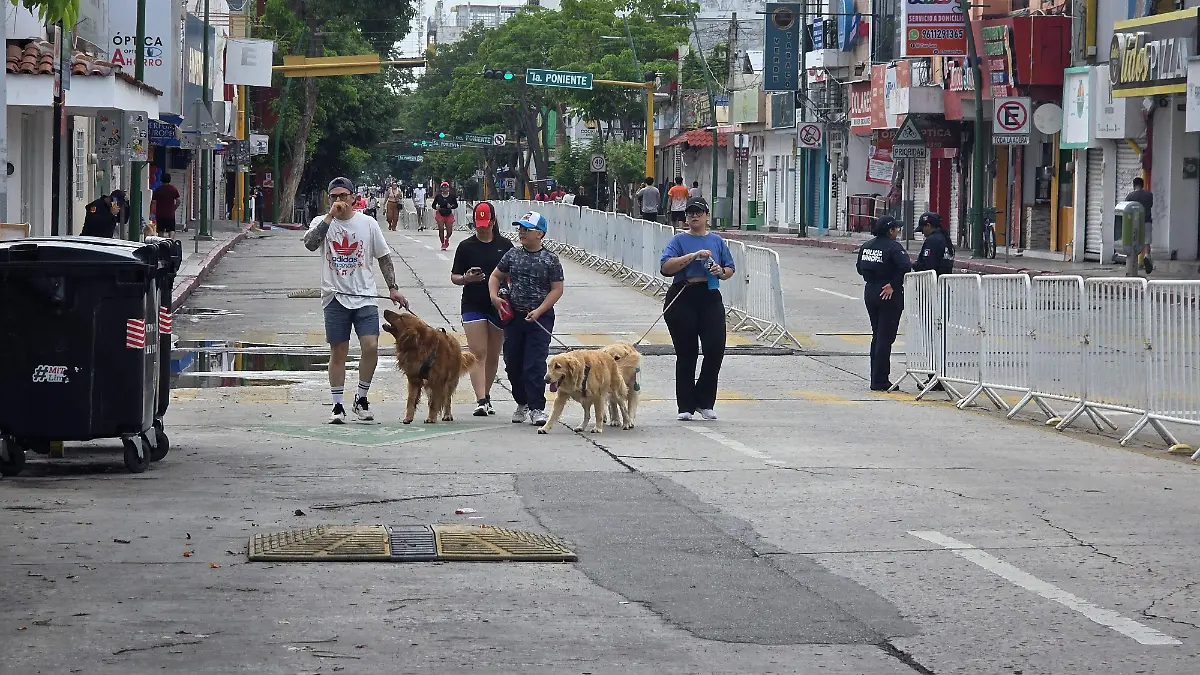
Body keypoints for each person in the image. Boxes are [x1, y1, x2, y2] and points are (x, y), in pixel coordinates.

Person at [303, 177, 410, 424]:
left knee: (371, 346)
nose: (339, 201)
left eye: (343, 195)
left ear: (353, 197)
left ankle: (361, 398)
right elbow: (310, 244)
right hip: (335, 297)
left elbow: (383, 257)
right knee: (338, 350)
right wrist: (329, 217)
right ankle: (337, 404)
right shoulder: (321, 222)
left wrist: (393, 288)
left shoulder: (368, 224)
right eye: (334, 197)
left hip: (365, 296)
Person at [658, 197, 735, 421]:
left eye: (699, 212)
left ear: (707, 216)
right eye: (690, 213)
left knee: (714, 348)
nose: (694, 216)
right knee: (687, 352)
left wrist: (721, 271)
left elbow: (730, 269)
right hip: (683, 295)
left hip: (709, 295)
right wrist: (693, 256)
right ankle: (686, 405)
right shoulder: (679, 240)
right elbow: (665, 267)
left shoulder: (717, 241)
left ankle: (704, 400)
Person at [488, 211, 564, 427]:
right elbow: (496, 275)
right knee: (512, 362)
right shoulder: (512, 255)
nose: (521, 232)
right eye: (519, 228)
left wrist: (540, 310)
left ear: (539, 233)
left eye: (526, 229)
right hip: (514, 317)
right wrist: (495, 297)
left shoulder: (551, 260)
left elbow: (557, 289)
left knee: (535, 363)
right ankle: (521, 402)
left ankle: (536, 407)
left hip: (540, 318)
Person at [451, 201, 514, 417]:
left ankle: (487, 395)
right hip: (473, 303)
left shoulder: (505, 246)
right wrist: (466, 279)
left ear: (493, 222)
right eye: (478, 224)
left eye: (486, 224)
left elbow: (512, 276)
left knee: (493, 354)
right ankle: (480, 399)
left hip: (498, 305)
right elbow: (454, 277)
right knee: (478, 352)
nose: (482, 228)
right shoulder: (466, 247)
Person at [857, 215, 911, 392]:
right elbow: (905, 267)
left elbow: (859, 267)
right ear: (890, 230)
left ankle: (877, 377)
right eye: (896, 229)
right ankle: (880, 381)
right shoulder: (893, 248)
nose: (897, 231)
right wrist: (893, 285)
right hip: (887, 293)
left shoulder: (866, 246)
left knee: (878, 335)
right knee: (885, 338)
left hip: (870, 290)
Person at [1121, 176, 1154, 273]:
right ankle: (1147, 255)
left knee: (1135, 242)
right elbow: (1150, 205)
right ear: (1143, 185)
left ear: (1134, 185)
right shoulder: (1149, 195)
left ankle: (1134, 261)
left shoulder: (1130, 196)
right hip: (1147, 220)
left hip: (1134, 223)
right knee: (1147, 242)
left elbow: (1127, 209)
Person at [912, 212, 954, 276]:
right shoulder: (946, 239)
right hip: (944, 282)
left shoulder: (932, 241)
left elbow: (927, 266)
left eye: (922, 229)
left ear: (928, 225)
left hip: (933, 282)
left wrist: (913, 264)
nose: (922, 233)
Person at [149, 172, 180, 239]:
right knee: (171, 229)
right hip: (170, 214)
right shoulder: (173, 189)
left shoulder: (158, 190)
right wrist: (173, 208)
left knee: (160, 230)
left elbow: (153, 202)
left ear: (161, 179)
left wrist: (151, 213)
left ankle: (161, 242)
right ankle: (170, 241)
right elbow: (178, 201)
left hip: (160, 214)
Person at [432, 181, 458, 251]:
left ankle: (447, 238)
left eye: (446, 187)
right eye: (443, 187)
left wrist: (451, 206)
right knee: (441, 229)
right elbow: (433, 205)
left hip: (448, 213)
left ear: (448, 188)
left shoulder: (452, 196)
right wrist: (436, 207)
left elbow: (456, 205)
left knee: (449, 231)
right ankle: (443, 243)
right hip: (440, 213)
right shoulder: (438, 196)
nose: (445, 189)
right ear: (441, 189)